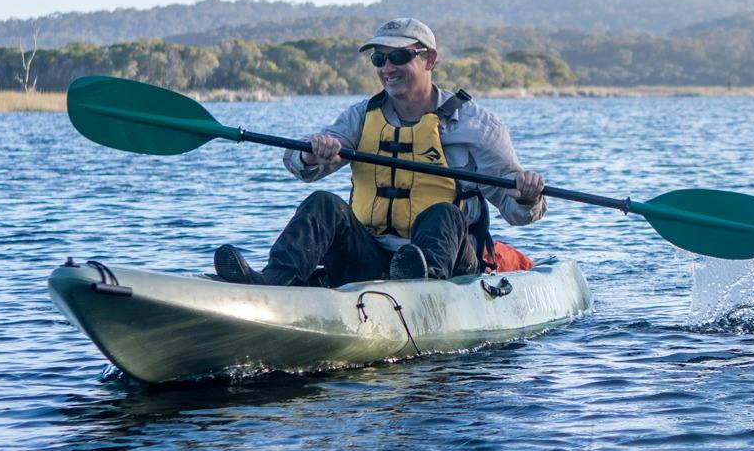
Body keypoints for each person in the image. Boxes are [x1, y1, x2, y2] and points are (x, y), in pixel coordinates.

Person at [213, 17, 546, 285]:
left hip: (446, 269)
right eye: (379, 58)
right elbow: (299, 165)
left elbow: (518, 213)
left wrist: (528, 197)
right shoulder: (361, 116)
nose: (387, 68)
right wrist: (313, 154)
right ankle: (272, 283)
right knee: (323, 204)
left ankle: (418, 291)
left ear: (430, 59)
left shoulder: (478, 127)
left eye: (399, 57)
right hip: (369, 257)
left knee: (444, 214)